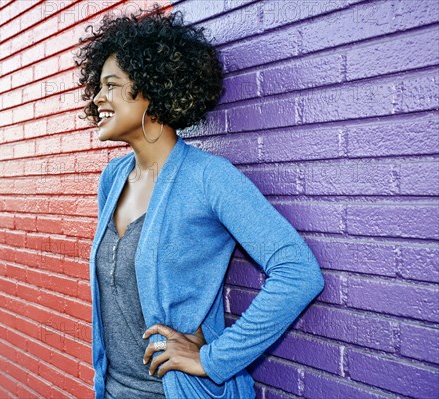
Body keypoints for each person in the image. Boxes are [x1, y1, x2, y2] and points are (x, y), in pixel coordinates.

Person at [75, 4, 325, 399]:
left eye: (111, 85)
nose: (97, 99)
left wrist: (212, 358)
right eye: (99, 86)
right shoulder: (113, 178)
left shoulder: (209, 178)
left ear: (152, 88)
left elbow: (298, 272)